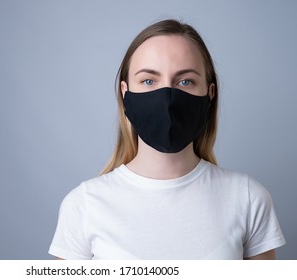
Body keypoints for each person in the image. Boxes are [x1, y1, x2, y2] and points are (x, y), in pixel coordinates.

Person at [49, 19, 286, 259]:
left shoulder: (247, 198)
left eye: (186, 81)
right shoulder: (84, 205)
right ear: (125, 92)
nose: (167, 98)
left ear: (209, 94)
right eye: (149, 81)